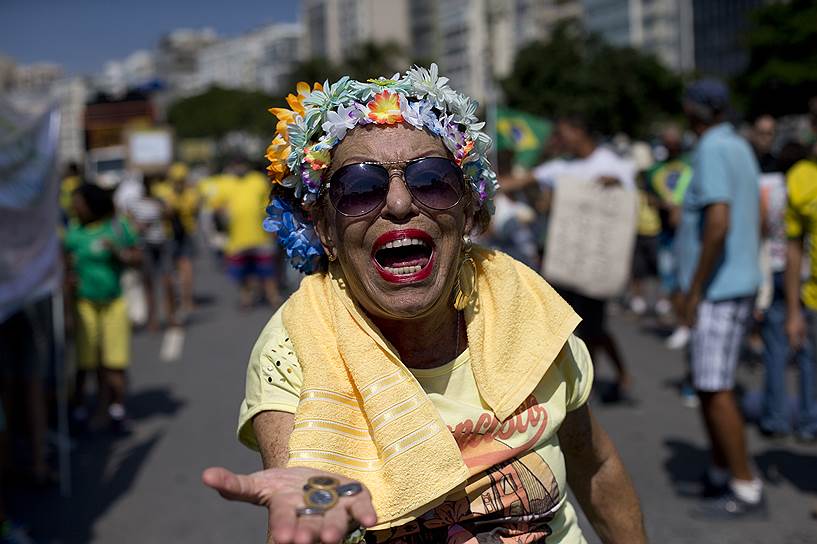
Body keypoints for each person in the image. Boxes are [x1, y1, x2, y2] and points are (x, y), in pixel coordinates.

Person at [201, 68, 646, 544]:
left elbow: (594, 463)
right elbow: (303, 491)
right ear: (326, 231)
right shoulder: (295, 348)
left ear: (470, 211)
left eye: (431, 180)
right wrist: (309, 509)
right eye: (360, 187)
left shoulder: (526, 308)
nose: (398, 203)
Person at [677, 80, 764, 517]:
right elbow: (759, 215)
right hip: (737, 280)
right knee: (713, 383)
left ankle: (745, 484)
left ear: (695, 113)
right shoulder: (739, 145)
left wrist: (693, 290)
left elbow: (718, 223)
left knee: (715, 387)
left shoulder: (711, 148)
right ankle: (719, 470)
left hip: (718, 287)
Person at [530, 116, 636, 403]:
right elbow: (525, 179)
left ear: (579, 131)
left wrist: (616, 184)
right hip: (568, 264)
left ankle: (600, 380)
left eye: (564, 133)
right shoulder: (563, 167)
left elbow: (633, 194)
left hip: (595, 266)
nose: (561, 139)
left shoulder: (611, 162)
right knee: (566, 324)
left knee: (594, 328)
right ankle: (579, 384)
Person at [64, 183, 140, 432]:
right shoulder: (72, 233)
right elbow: (63, 266)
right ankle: (81, 409)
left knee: (114, 362)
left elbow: (137, 258)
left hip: (113, 303)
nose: (74, 207)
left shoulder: (117, 228)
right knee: (86, 362)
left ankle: (116, 409)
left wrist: (118, 253)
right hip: (84, 305)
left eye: (78, 202)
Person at [782, 107, 817, 442]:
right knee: (809, 368)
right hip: (812, 300)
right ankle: (809, 426)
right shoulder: (801, 177)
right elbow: (793, 248)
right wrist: (793, 311)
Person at [210, 160, 280, 309]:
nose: (239, 167)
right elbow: (215, 205)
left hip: (260, 235)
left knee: (267, 269)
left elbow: (269, 204)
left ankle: (272, 296)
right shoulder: (224, 183)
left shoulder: (258, 180)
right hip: (236, 238)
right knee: (242, 273)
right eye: (236, 164)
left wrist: (273, 227)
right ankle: (247, 298)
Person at [127, 173, 177, 330]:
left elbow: (170, 215)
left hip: (161, 243)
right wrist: (138, 226)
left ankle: (170, 316)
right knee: (149, 283)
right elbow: (128, 222)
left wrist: (163, 207)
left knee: (167, 280)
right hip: (146, 245)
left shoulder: (159, 201)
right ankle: (153, 318)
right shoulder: (135, 203)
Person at [154, 163, 200, 317]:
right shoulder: (163, 191)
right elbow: (164, 212)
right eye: (176, 180)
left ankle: (187, 300)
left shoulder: (190, 193)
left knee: (186, 267)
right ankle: (173, 301)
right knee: (170, 270)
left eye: (181, 180)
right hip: (169, 234)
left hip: (185, 232)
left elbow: (192, 209)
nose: (179, 183)